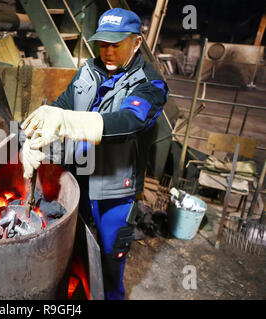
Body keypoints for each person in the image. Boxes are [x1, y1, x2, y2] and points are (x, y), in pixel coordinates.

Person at [21, 8, 169, 300]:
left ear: (137, 42)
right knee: (73, 249)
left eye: (116, 44)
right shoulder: (88, 70)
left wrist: (66, 122)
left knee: (110, 260)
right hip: (77, 178)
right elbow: (62, 105)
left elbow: (127, 123)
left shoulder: (150, 84)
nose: (108, 52)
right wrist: (32, 139)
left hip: (114, 189)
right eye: (103, 44)